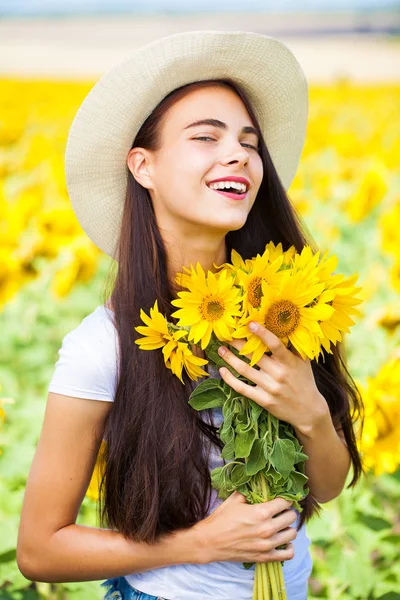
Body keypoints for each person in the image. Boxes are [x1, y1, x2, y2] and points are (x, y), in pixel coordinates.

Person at [16, 30, 364, 600]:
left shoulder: (287, 305)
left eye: (249, 143)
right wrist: (203, 542)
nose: (239, 154)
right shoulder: (104, 345)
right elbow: (39, 549)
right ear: (143, 166)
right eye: (207, 136)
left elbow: (323, 488)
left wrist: (311, 412)